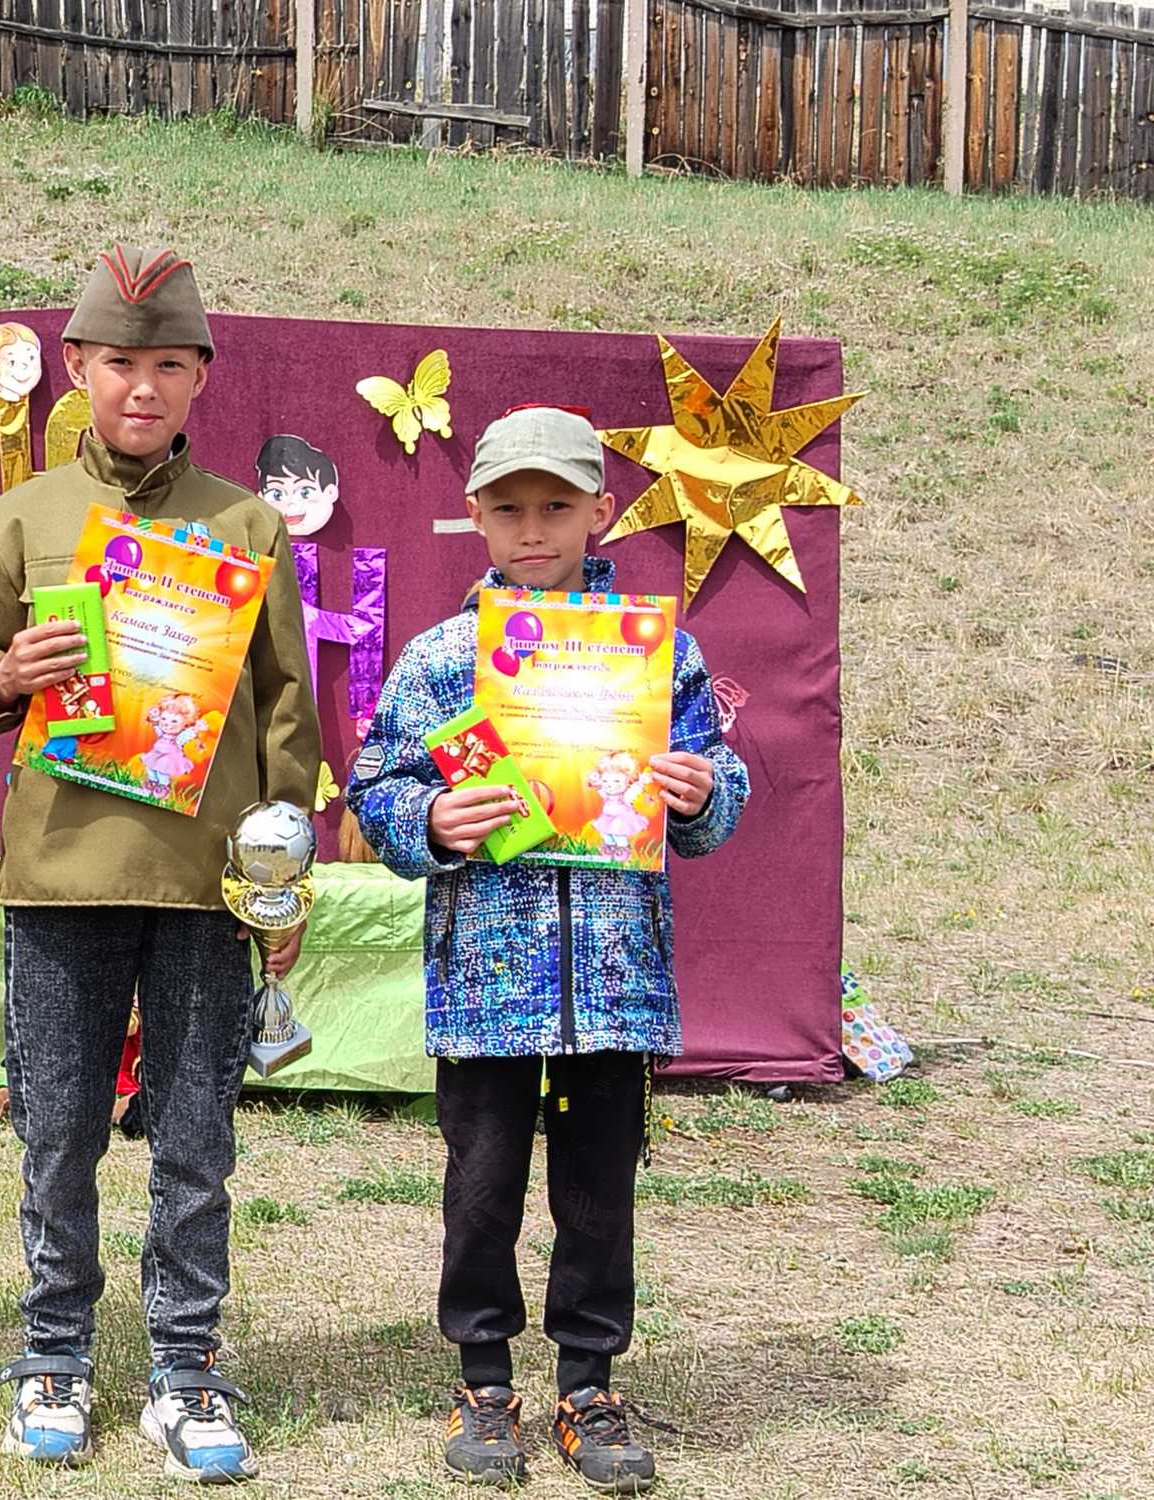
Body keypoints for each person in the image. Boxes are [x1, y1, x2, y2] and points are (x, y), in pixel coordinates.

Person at [0, 244, 320, 1483]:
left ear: (201, 373)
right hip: (61, 871)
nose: (140, 387)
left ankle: (185, 1366)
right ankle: (53, 1352)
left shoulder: (245, 524)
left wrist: (280, 874)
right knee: (56, 1132)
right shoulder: (23, 518)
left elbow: (284, 709)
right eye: (117, 363)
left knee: (195, 1136)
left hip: (204, 880)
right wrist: (4, 675)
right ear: (75, 367)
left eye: (166, 365)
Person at [345, 405, 749, 1493]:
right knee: (480, 1187)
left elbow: (716, 789)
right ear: (474, 515)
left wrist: (702, 791)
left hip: (614, 982)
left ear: (600, 511)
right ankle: (482, 1379)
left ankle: (587, 1383)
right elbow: (377, 787)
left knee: (599, 1191)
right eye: (510, 508)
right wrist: (430, 820)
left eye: (556, 506)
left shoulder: (660, 655)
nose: (533, 529)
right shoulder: (441, 659)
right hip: (485, 983)